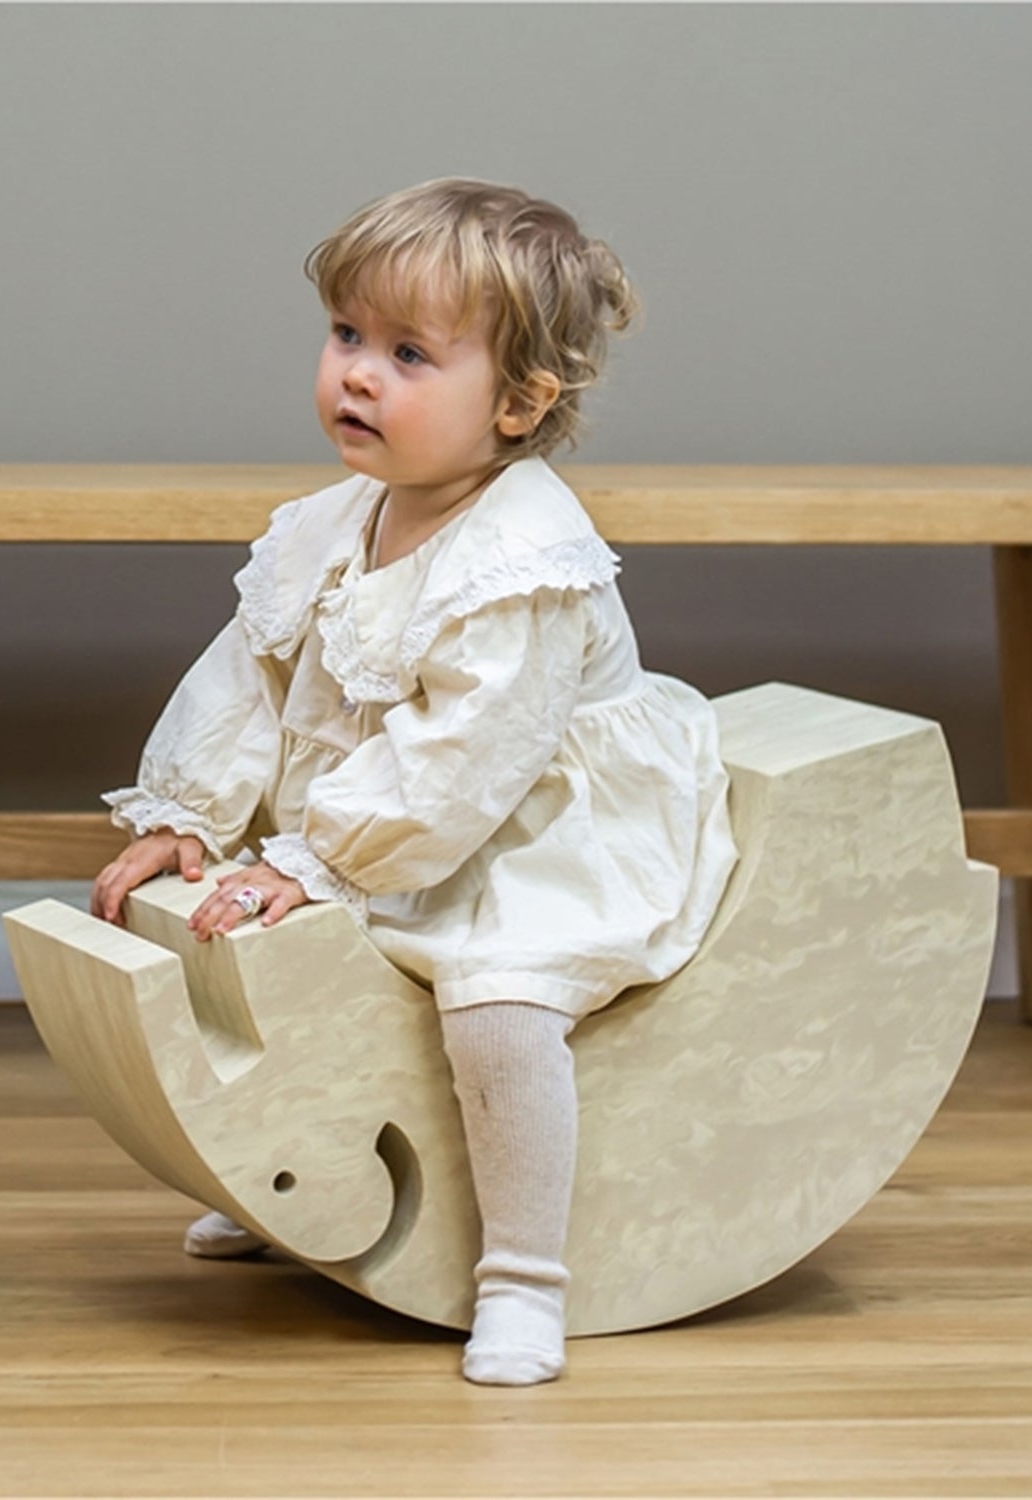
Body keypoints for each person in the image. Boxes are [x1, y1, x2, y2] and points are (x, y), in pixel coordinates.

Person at [89, 178, 739, 1386]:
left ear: (519, 403)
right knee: (263, 942)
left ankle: (525, 1275)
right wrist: (190, 812)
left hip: (532, 833)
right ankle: (291, 1165)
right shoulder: (334, 523)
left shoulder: (523, 561)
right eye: (346, 334)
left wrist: (326, 858)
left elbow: (470, 754)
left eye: (408, 354)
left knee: (498, 1004)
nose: (357, 375)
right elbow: (250, 674)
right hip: (397, 815)